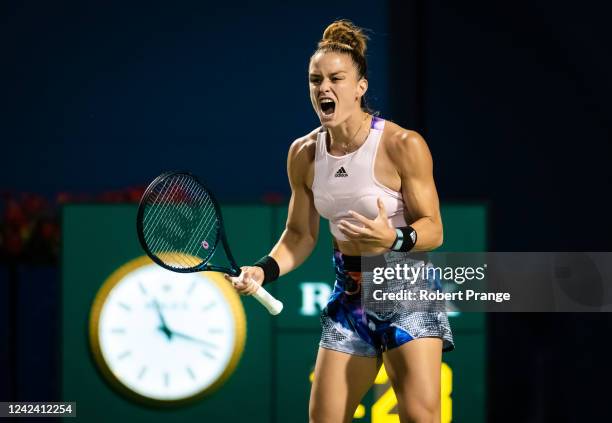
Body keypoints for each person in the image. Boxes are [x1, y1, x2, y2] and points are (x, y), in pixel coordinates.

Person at [225, 19, 454, 423]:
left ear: (360, 86)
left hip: (406, 289)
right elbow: (299, 234)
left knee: (420, 417)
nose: (323, 88)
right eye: (316, 80)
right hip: (349, 295)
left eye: (336, 78)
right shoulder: (304, 153)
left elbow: (434, 228)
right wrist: (262, 270)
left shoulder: (404, 145)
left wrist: (394, 238)